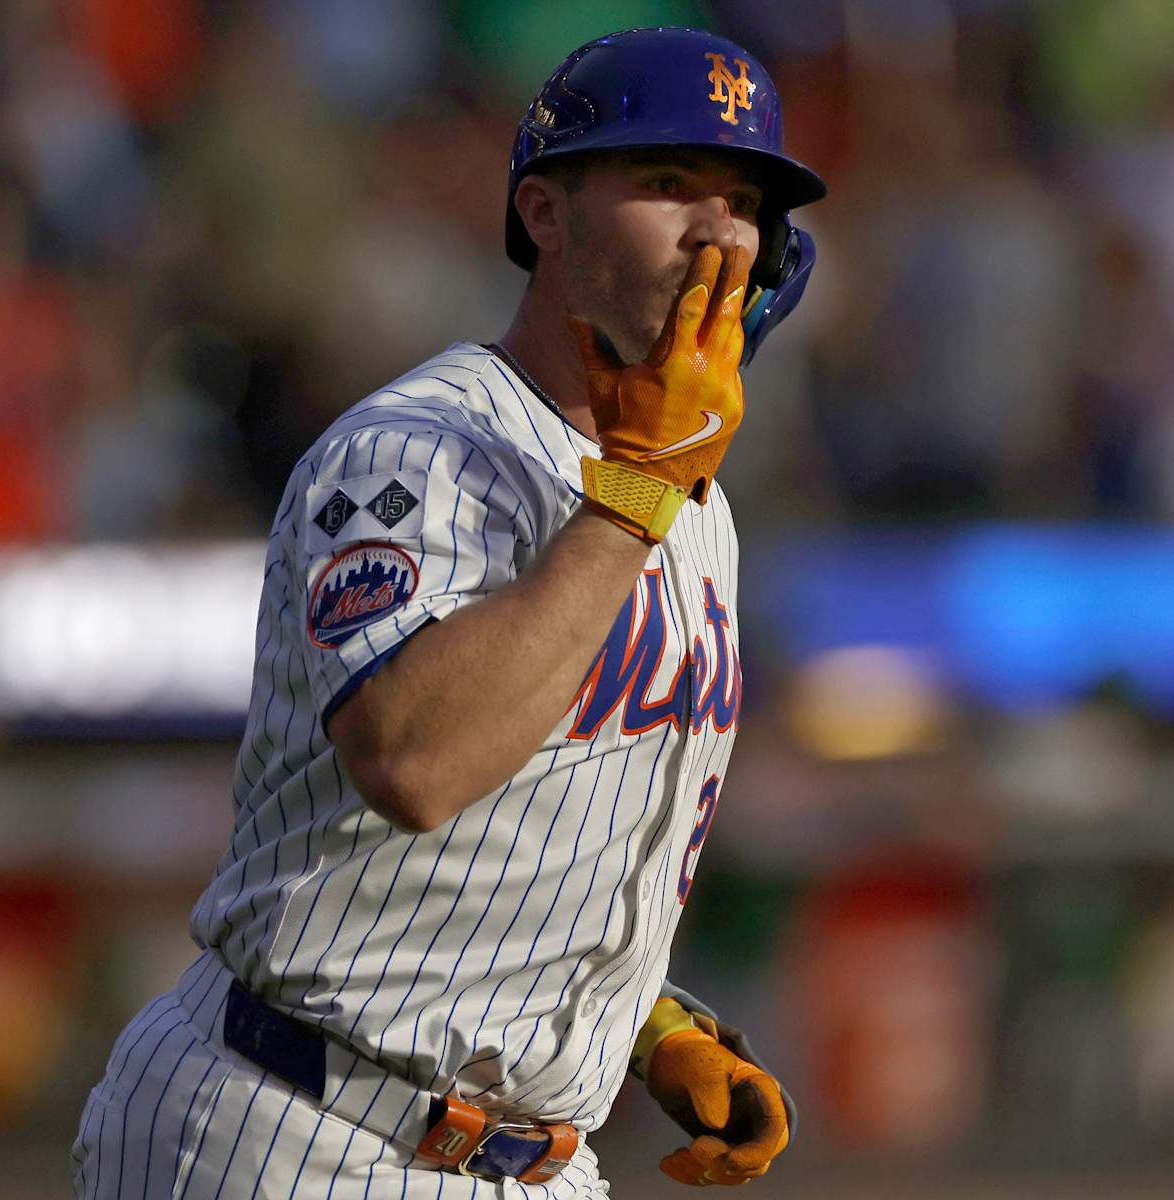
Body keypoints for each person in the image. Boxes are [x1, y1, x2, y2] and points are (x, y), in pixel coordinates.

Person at [71, 26, 826, 1197]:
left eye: (743, 198)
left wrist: (639, 1023)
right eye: (667, 183)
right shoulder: (415, 452)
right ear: (546, 214)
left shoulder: (694, 497)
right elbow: (416, 763)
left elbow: (547, 825)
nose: (716, 232)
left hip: (529, 1161)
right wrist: (635, 498)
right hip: (298, 1128)